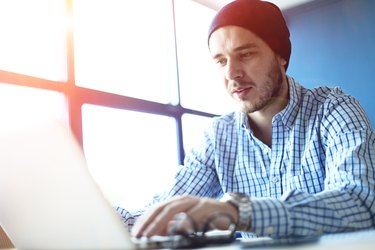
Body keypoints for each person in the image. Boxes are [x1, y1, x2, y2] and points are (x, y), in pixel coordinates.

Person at [117, 0, 375, 239]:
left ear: (281, 56)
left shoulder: (333, 108)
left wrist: (236, 212)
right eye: (220, 61)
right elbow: (159, 213)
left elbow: (359, 202)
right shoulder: (218, 137)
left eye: (246, 54)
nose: (232, 73)